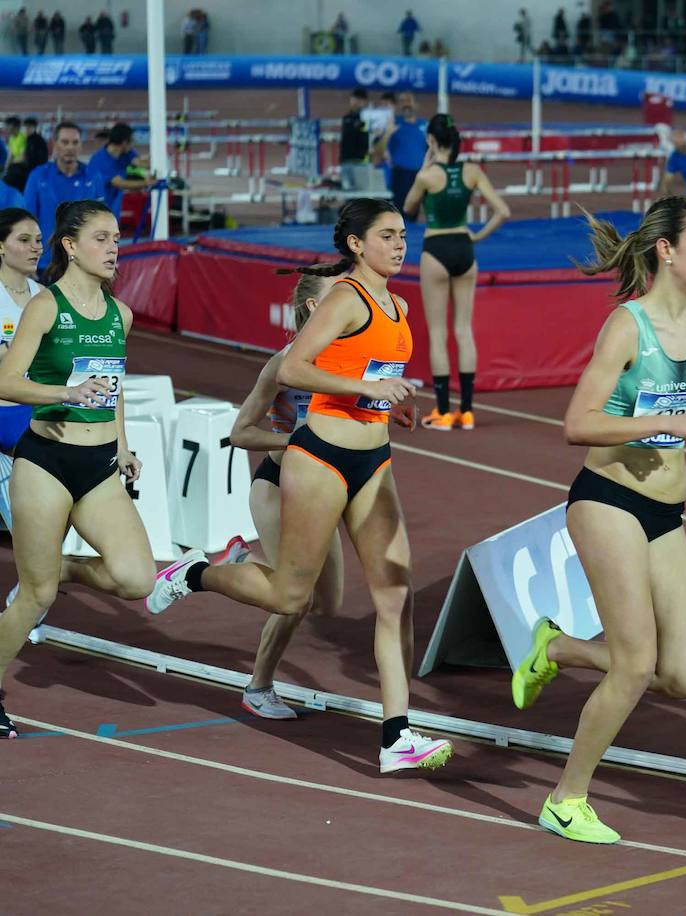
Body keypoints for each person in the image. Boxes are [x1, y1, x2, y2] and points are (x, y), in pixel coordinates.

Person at [144, 198, 455, 775]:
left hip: (375, 458)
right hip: (319, 458)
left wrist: (391, 401)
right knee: (294, 597)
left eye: (403, 234)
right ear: (357, 244)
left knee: (396, 593)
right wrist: (365, 392)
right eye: (386, 235)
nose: (399, 243)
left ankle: (397, 735)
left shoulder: (399, 303)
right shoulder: (344, 297)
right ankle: (193, 572)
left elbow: (369, 378)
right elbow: (293, 370)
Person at [508, 196, 686, 843]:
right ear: (667, 249)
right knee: (635, 664)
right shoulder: (626, 328)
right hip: (607, 501)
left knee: (685, 675)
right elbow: (577, 424)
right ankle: (565, 799)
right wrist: (665, 422)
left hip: (667, 509)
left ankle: (561, 646)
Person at [0, 200, 156, 740]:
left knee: (137, 578)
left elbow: (111, 387)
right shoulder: (45, 306)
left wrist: (124, 445)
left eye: (117, 238)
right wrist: (62, 392)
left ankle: (54, 568)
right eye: (101, 238)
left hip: (99, 463)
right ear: (70, 246)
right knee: (36, 599)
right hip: (46, 460)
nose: (114, 247)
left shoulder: (122, 314)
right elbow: (6, 381)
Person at [227, 271, 346, 719]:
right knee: (294, 599)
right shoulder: (284, 363)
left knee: (329, 603)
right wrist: (294, 443)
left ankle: (242, 562)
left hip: (324, 488)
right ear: (316, 309)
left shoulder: (347, 360)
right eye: (340, 295)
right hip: (278, 485)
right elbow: (240, 433)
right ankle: (258, 687)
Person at [402, 115, 510, 432]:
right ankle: (467, 411)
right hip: (465, 247)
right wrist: (478, 236)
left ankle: (443, 412)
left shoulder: (427, 176)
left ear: (433, 142)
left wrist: (426, 164)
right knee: (463, 330)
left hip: (436, 248)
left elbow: (408, 208)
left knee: (438, 333)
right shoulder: (472, 171)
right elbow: (503, 211)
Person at [23, 121, 100, 271]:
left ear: (80, 146)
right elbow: (26, 222)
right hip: (45, 264)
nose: (70, 147)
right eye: (65, 142)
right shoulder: (38, 176)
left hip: (83, 264)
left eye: (75, 142)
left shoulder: (93, 177)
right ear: (55, 145)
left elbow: (100, 223)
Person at [0, 208, 43, 459]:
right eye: (24, 240)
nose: (35, 248)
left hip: (36, 412)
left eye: (38, 240)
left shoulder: (46, 297)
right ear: (1, 247)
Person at [86, 122, 153, 218]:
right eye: (132, 141)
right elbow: (120, 183)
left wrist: (156, 156)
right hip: (96, 210)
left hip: (113, 207)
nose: (133, 144)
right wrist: (147, 183)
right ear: (124, 142)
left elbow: (140, 163)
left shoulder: (126, 153)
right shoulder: (100, 161)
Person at [383, 92, 427, 213]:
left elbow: (432, 149)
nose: (406, 104)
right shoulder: (392, 124)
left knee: (414, 211)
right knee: (400, 213)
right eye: (402, 101)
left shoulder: (425, 125)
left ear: (416, 105)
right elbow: (380, 148)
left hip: (419, 175)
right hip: (400, 175)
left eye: (409, 100)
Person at [339, 88, 372, 192]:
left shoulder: (369, 119)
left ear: (364, 102)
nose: (356, 103)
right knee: (348, 194)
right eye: (354, 100)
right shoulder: (347, 118)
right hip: (347, 161)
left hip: (362, 162)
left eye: (360, 101)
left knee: (362, 195)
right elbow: (350, 133)